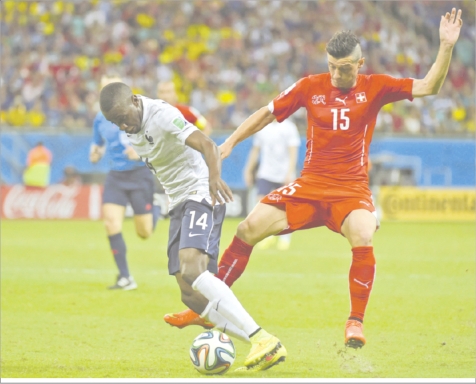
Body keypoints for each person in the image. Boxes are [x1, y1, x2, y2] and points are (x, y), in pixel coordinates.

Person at [165, 8, 464, 349]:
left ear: (360, 63)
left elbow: (429, 86)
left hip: (351, 189)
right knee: (247, 228)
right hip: (309, 185)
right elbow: (266, 113)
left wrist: (445, 46)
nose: (336, 73)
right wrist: (230, 142)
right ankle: (211, 309)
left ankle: (355, 322)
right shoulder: (310, 86)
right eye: (332, 66)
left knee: (364, 233)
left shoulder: (377, 87)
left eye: (345, 67)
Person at [99, 81, 287, 371]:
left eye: (124, 116)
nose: (123, 125)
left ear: (135, 101)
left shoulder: (161, 114)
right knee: (187, 291)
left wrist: (212, 179)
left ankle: (261, 338)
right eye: (116, 122)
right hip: (179, 203)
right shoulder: (130, 128)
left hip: (200, 194)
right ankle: (259, 341)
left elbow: (208, 145)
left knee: (192, 267)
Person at [90, 75, 160, 291]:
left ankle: (157, 207)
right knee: (110, 223)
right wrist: (95, 152)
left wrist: (140, 152)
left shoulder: (139, 113)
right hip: (116, 176)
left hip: (140, 176)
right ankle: (125, 277)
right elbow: (98, 143)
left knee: (144, 233)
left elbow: (157, 142)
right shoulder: (100, 119)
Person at [243, 119, 300, 250]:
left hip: (283, 173)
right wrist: (248, 169)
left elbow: (293, 151)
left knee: (284, 207)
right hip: (266, 172)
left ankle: (285, 239)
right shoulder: (263, 127)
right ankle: (267, 236)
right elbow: (255, 150)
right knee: (261, 205)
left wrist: (290, 172)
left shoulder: (289, 127)